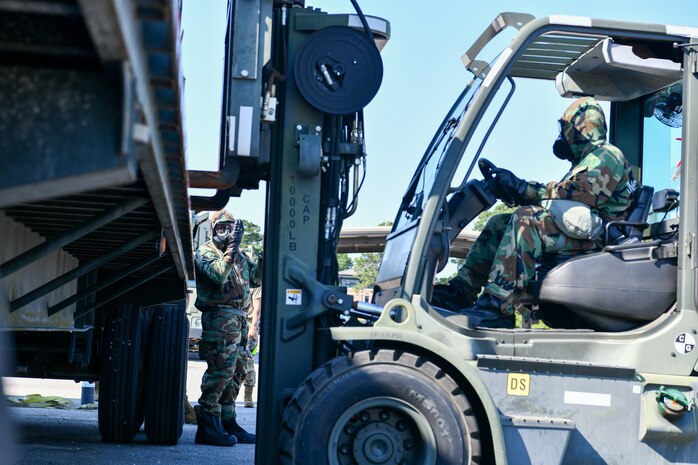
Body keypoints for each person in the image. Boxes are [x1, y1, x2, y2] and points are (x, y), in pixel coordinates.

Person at [433, 97, 633, 328]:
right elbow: (560, 200)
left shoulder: (606, 155)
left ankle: (498, 307)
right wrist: (515, 190)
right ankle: (461, 293)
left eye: (566, 128)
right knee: (499, 223)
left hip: (598, 239)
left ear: (582, 128)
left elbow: (576, 194)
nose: (563, 135)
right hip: (580, 233)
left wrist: (522, 188)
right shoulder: (587, 160)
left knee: (527, 220)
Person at [194, 209, 261, 446]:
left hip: (239, 319)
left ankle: (228, 421)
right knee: (221, 370)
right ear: (213, 230)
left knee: (238, 370)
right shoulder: (205, 252)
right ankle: (208, 425)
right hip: (219, 318)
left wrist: (267, 250)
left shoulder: (239, 255)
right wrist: (232, 249)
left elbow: (257, 277)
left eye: (230, 228)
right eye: (221, 228)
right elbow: (218, 275)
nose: (226, 233)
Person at [240, 285, 261, 408]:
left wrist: (253, 327)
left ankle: (248, 396)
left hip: (248, 326)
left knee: (248, 361)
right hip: (234, 323)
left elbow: (257, 309)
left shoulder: (255, 282)